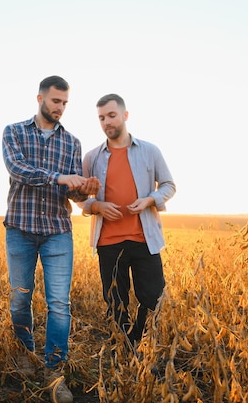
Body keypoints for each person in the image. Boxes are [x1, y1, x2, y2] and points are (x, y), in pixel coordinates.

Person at [2, 75, 100, 403]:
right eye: (56, 101)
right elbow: (18, 170)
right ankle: (25, 358)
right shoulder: (13, 132)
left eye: (65, 103)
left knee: (59, 304)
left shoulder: (71, 142)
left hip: (57, 231)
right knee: (20, 299)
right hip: (20, 229)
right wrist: (60, 178)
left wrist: (83, 189)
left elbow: (71, 193)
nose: (60, 108)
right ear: (40, 98)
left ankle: (53, 372)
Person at [79, 93, 176, 348]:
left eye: (111, 115)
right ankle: (124, 348)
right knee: (115, 301)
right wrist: (96, 205)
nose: (106, 122)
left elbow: (168, 185)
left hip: (144, 238)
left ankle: (138, 340)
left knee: (153, 296)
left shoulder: (150, 151)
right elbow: (78, 197)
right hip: (108, 242)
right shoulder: (91, 157)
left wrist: (149, 200)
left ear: (125, 115)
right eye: (101, 118)